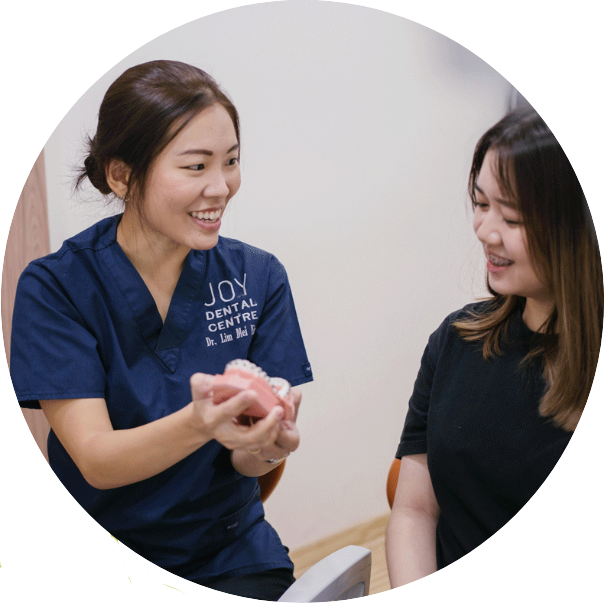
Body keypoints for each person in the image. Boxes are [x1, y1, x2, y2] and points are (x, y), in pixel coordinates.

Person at [9, 60, 313, 600]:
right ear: (123, 175)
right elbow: (98, 461)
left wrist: (269, 445)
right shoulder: (57, 288)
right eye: (196, 167)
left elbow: (250, 459)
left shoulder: (257, 277)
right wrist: (200, 421)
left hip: (229, 552)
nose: (221, 188)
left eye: (232, 161)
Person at [385, 106, 603, 587]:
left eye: (511, 216)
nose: (485, 231)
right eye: (481, 204)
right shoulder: (456, 339)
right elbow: (415, 512)